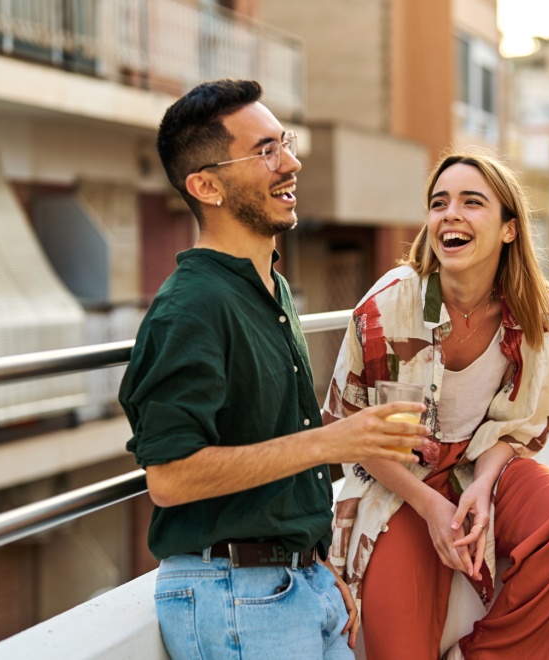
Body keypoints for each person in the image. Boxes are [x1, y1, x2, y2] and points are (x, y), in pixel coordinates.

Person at [118, 79, 429, 660]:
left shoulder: (271, 287)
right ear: (206, 185)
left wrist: (311, 564)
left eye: (283, 142)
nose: (292, 161)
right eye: (266, 151)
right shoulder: (191, 307)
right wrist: (328, 442)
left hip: (294, 585)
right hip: (237, 596)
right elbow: (170, 477)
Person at [325, 150, 549, 660]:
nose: (450, 214)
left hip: (487, 471)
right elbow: (345, 428)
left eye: (471, 202)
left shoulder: (536, 307)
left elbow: (519, 425)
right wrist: (432, 506)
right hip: (401, 485)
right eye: (439, 203)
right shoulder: (387, 306)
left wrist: (482, 485)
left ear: (508, 228)